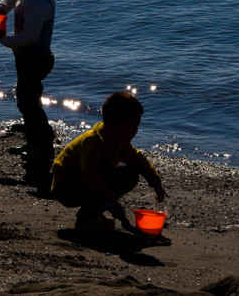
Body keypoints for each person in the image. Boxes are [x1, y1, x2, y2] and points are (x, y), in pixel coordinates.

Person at [0, 0, 59, 181]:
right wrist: (1, 9)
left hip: (36, 58)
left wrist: (2, 39)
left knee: (30, 103)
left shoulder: (39, 3)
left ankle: (44, 147)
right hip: (26, 58)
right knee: (25, 101)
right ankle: (33, 142)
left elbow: (29, 37)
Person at [51, 90, 166, 231]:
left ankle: (94, 213)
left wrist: (156, 183)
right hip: (66, 186)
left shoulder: (119, 142)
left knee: (131, 174)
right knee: (103, 176)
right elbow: (90, 177)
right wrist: (111, 201)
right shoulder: (93, 142)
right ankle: (85, 220)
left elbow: (138, 160)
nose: (136, 131)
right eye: (132, 127)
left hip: (85, 181)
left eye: (137, 126)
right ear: (113, 127)